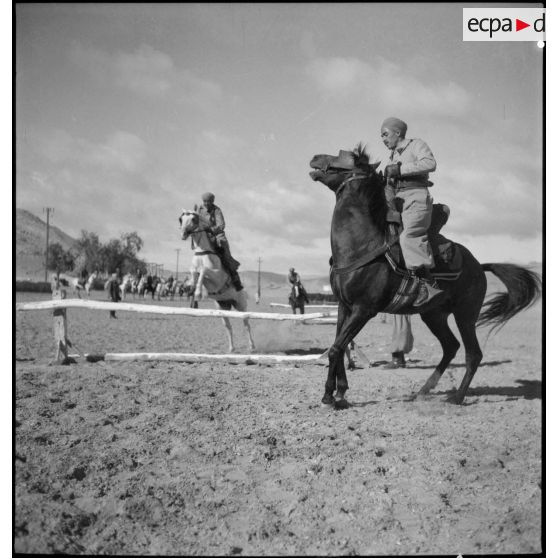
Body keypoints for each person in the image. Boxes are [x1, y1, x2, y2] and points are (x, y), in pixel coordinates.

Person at [379, 117, 443, 307]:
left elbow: (430, 163)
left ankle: (429, 285)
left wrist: (399, 169)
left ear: (397, 133)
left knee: (408, 237)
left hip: (416, 199)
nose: (382, 139)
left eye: (385, 134)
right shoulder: (392, 156)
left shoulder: (417, 145)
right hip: (398, 201)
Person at [198, 192, 243, 291]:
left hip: (217, 235)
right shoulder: (200, 210)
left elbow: (221, 225)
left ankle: (235, 278)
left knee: (224, 248)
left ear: (212, 201)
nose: (206, 203)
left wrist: (211, 229)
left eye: (208, 201)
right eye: (204, 201)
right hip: (204, 235)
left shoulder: (217, 210)